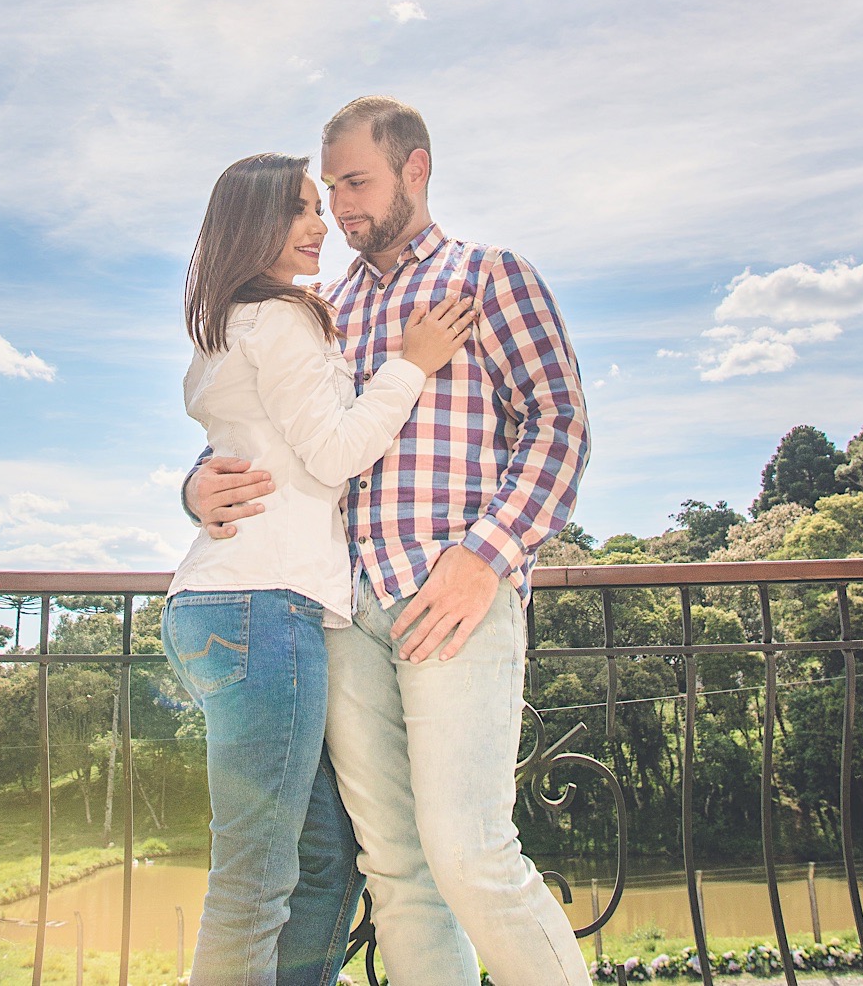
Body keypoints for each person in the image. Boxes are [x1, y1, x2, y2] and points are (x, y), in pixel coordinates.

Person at [186, 97, 590, 986]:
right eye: (329, 188)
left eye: (357, 182)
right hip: (338, 611)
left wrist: (487, 554)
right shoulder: (316, 307)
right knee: (397, 870)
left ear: (417, 168)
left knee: (471, 854)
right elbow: (263, 429)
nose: (340, 208)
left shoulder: (490, 276)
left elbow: (559, 426)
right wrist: (193, 485)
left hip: (449, 598)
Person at [162, 150, 475, 986]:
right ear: (250, 224)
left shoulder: (230, 322)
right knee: (256, 878)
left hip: (226, 605)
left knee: (325, 849)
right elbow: (334, 453)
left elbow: (239, 448)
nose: (319, 224)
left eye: (320, 204)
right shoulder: (284, 319)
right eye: (299, 209)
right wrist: (413, 362)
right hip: (264, 608)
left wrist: (190, 490)